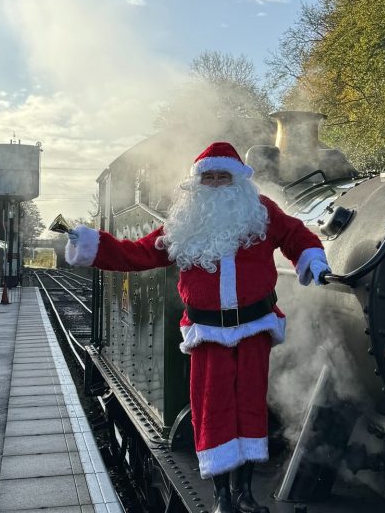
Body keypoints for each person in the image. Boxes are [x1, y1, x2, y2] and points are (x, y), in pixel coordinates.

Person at [65, 141, 330, 513]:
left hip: (254, 325)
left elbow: (295, 235)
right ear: (198, 183)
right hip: (207, 333)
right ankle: (222, 496)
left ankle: (245, 493)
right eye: (210, 177)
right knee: (213, 410)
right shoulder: (183, 222)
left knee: (251, 407)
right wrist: (95, 245)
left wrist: (311, 259)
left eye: (225, 176)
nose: (218, 183)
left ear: (238, 180)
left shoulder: (260, 212)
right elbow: (139, 253)